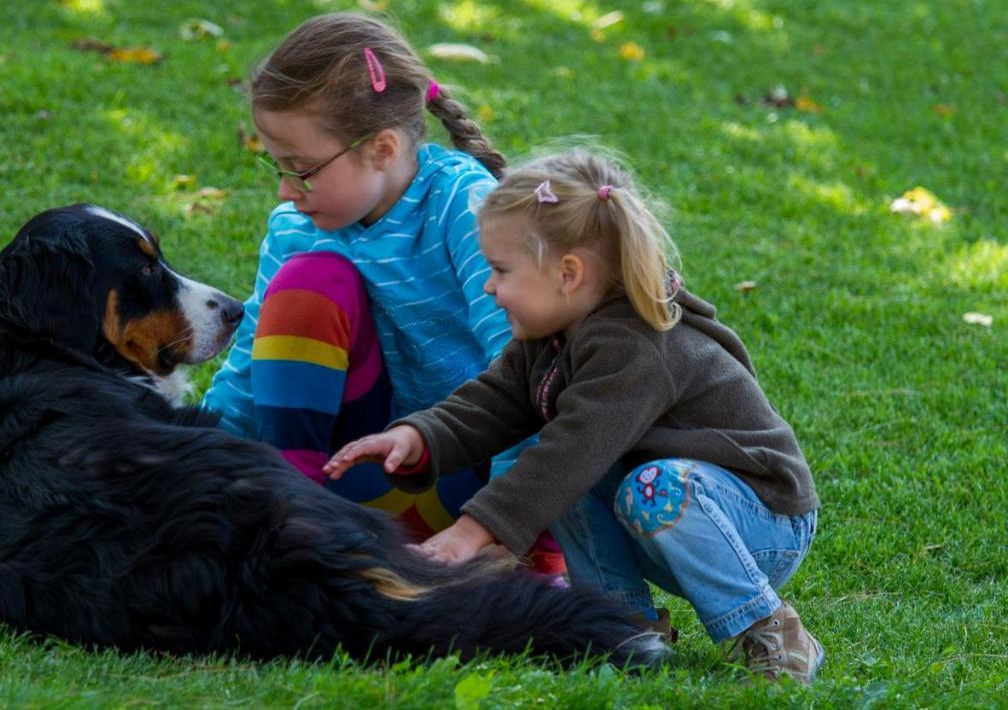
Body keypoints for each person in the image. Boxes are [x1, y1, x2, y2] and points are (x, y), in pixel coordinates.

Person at [324, 148, 824, 684]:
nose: (489, 286)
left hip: (760, 522)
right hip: (668, 508)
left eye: (500, 270)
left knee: (616, 477)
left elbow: (572, 449)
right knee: (591, 481)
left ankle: (769, 628)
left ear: (568, 273)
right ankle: (623, 626)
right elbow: (494, 399)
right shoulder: (553, 334)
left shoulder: (634, 346)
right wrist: (418, 436)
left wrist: (473, 532)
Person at [203, 12, 560, 571]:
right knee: (308, 281)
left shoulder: (463, 204)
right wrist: (188, 469)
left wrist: (505, 524)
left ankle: (526, 559)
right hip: (356, 478)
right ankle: (293, 522)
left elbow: (524, 366)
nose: (284, 188)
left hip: (477, 486)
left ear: (384, 148)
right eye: (276, 166)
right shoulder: (293, 229)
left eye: (301, 168)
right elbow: (246, 376)